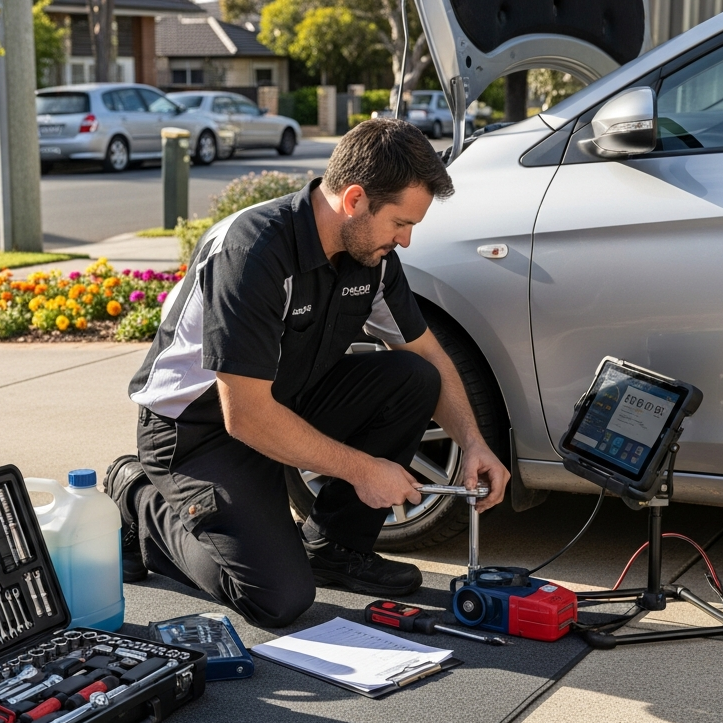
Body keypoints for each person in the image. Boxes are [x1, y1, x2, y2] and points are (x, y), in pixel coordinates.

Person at [106, 118, 509, 628]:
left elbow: (430, 354)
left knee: (413, 378)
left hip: (283, 401)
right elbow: (246, 417)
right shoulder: (252, 251)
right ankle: (136, 492)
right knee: (277, 599)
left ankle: (336, 549)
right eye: (400, 223)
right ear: (355, 199)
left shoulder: (371, 256)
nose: (405, 241)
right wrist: (364, 470)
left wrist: (473, 441)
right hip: (197, 432)